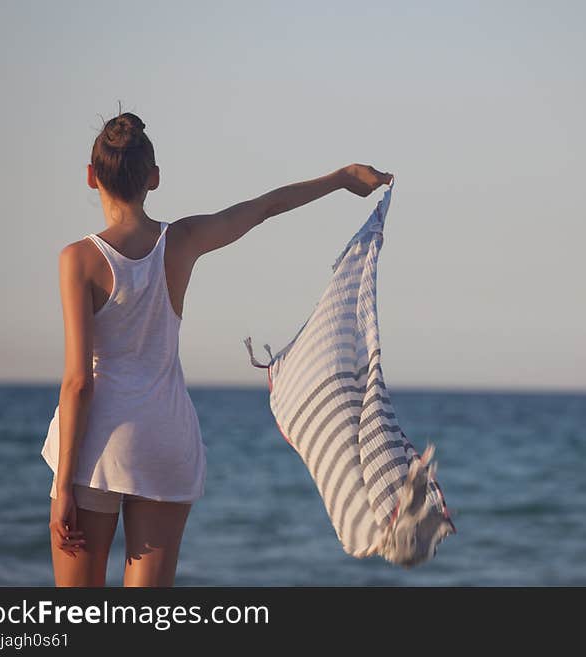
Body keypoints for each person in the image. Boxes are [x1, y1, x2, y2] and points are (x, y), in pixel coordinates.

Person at [41, 109, 393, 587]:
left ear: (90, 177)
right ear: (154, 178)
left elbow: (79, 382)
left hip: (96, 448)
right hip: (165, 441)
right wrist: (342, 178)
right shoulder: (181, 240)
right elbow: (263, 206)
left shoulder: (79, 259)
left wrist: (63, 485)